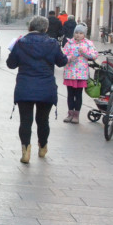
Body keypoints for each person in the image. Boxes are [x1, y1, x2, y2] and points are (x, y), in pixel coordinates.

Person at [7, 16, 68, 163]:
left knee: (25, 121)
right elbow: (62, 62)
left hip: (25, 87)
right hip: (46, 87)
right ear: (45, 28)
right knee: (43, 120)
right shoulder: (53, 44)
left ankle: (26, 151)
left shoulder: (20, 43)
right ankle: (43, 147)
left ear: (30, 27)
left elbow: (11, 64)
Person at [61, 24, 97, 124]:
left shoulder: (88, 43)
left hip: (81, 73)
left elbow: (94, 55)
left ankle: (76, 115)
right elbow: (62, 55)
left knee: (78, 94)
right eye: (76, 33)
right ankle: (70, 113)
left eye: (81, 33)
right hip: (70, 72)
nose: (78, 35)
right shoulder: (69, 43)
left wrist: (84, 53)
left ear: (84, 34)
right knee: (70, 94)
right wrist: (68, 58)